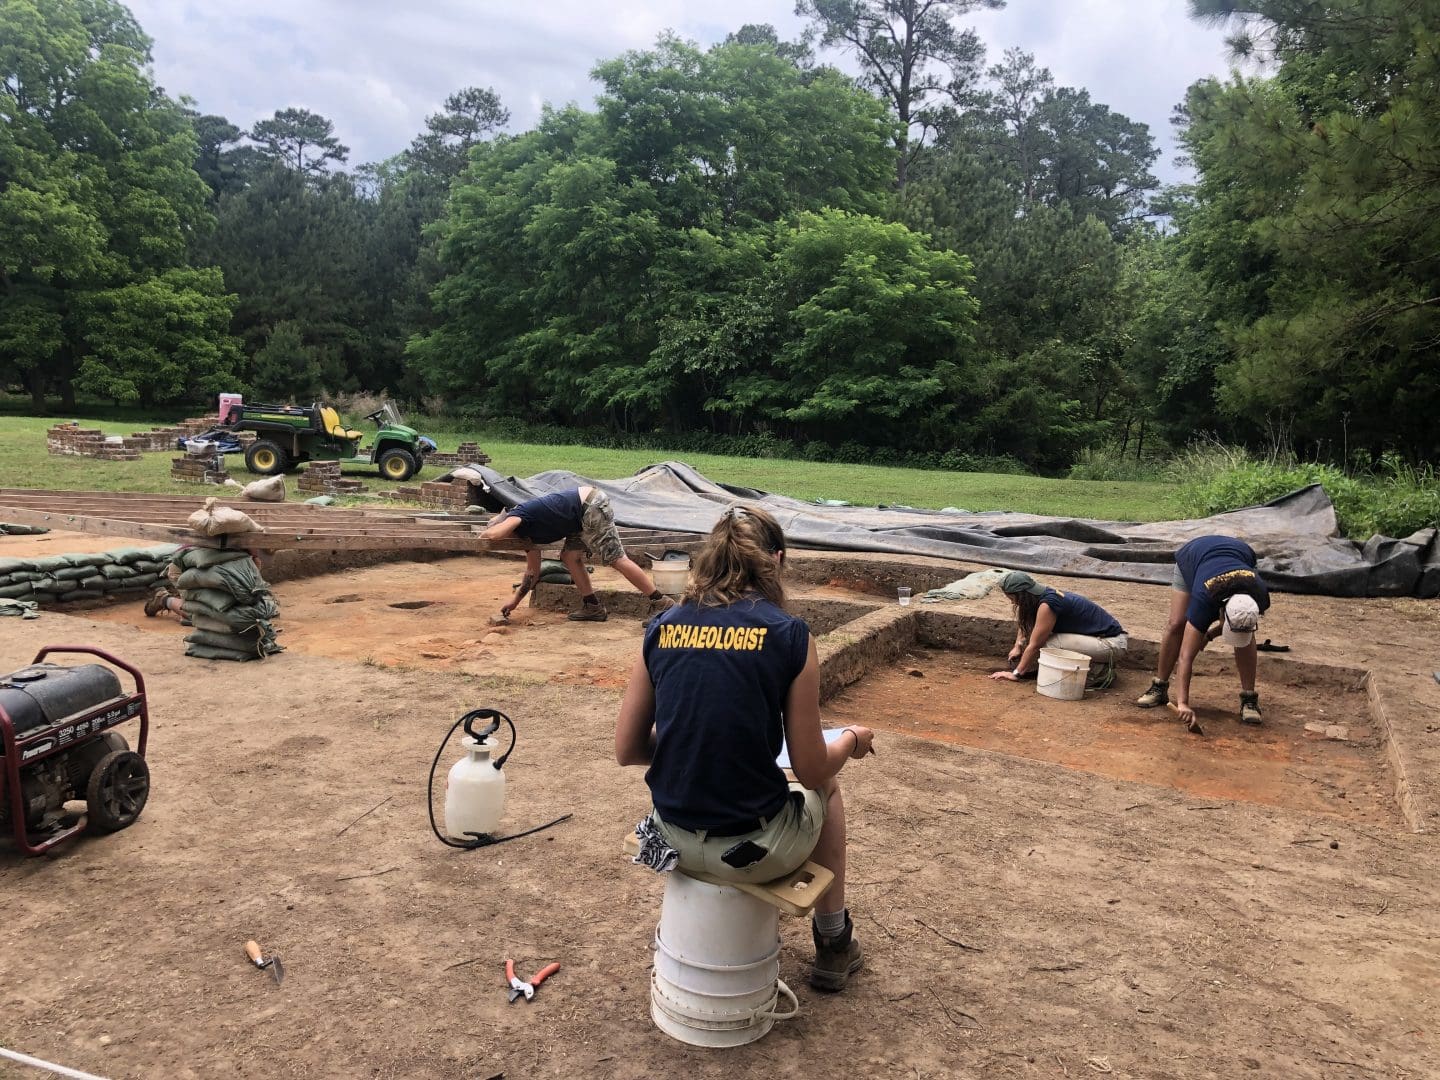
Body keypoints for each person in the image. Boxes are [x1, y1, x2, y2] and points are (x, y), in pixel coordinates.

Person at [615, 505, 875, 993]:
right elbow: (810, 766)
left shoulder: (662, 628)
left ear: (708, 559)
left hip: (669, 836)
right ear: (775, 561)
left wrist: (693, 743)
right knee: (828, 786)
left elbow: (627, 749)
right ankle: (834, 940)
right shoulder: (790, 636)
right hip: (753, 850)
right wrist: (851, 739)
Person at [1136, 534, 1270, 731]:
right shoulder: (1203, 599)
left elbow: (1238, 623)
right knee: (1176, 623)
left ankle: (1249, 699)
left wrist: (1208, 636)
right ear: (1221, 611)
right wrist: (1183, 703)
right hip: (1194, 556)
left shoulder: (1260, 596)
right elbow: (1186, 656)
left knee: (1245, 628)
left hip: (1240, 554)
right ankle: (1159, 687)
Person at [480, 485, 671, 622]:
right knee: (570, 557)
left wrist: (485, 534)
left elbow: (495, 534)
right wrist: (514, 602)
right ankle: (592, 606)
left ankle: (663, 604)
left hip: (589, 506)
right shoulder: (526, 536)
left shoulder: (518, 516)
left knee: (616, 559)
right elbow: (533, 572)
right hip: (577, 520)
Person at [987, 571, 1128, 689]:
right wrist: (1018, 645)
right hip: (1099, 640)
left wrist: (1016, 673)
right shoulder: (1040, 596)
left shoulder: (1048, 604)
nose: (1012, 602)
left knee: (1048, 645)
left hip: (1112, 644)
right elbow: (1027, 624)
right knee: (1034, 642)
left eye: (1012, 598)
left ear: (1022, 595)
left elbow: (1036, 644)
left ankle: (1098, 672)